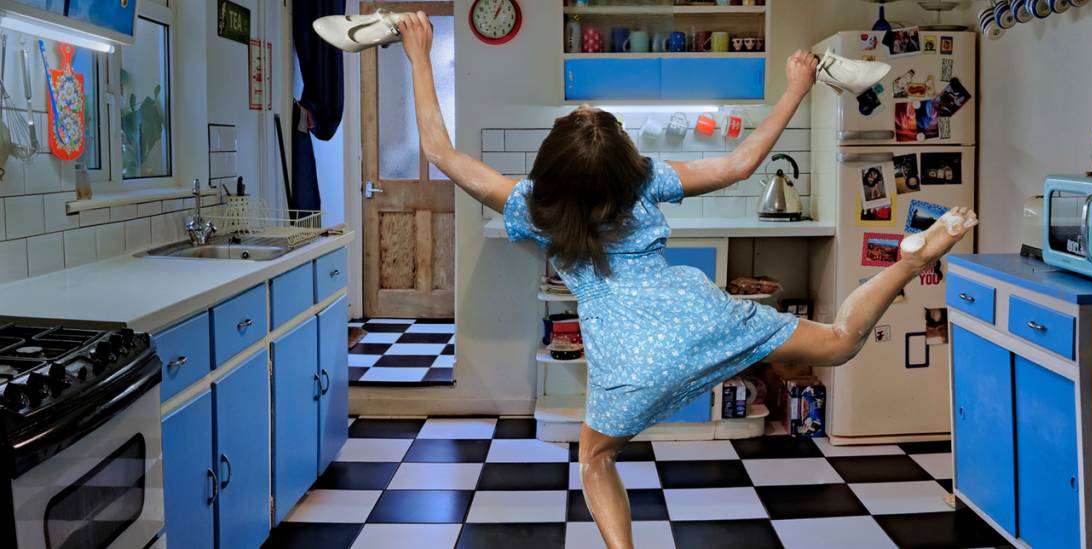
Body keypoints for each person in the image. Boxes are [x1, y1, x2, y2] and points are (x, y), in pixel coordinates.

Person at [394, 13, 977, 549]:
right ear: (626, 162)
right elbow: (741, 163)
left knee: (596, 459)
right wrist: (798, 85)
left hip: (629, 358)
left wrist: (420, 53)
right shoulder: (645, 180)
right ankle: (911, 258)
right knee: (841, 338)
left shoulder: (530, 204)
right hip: (703, 317)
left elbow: (440, 152)